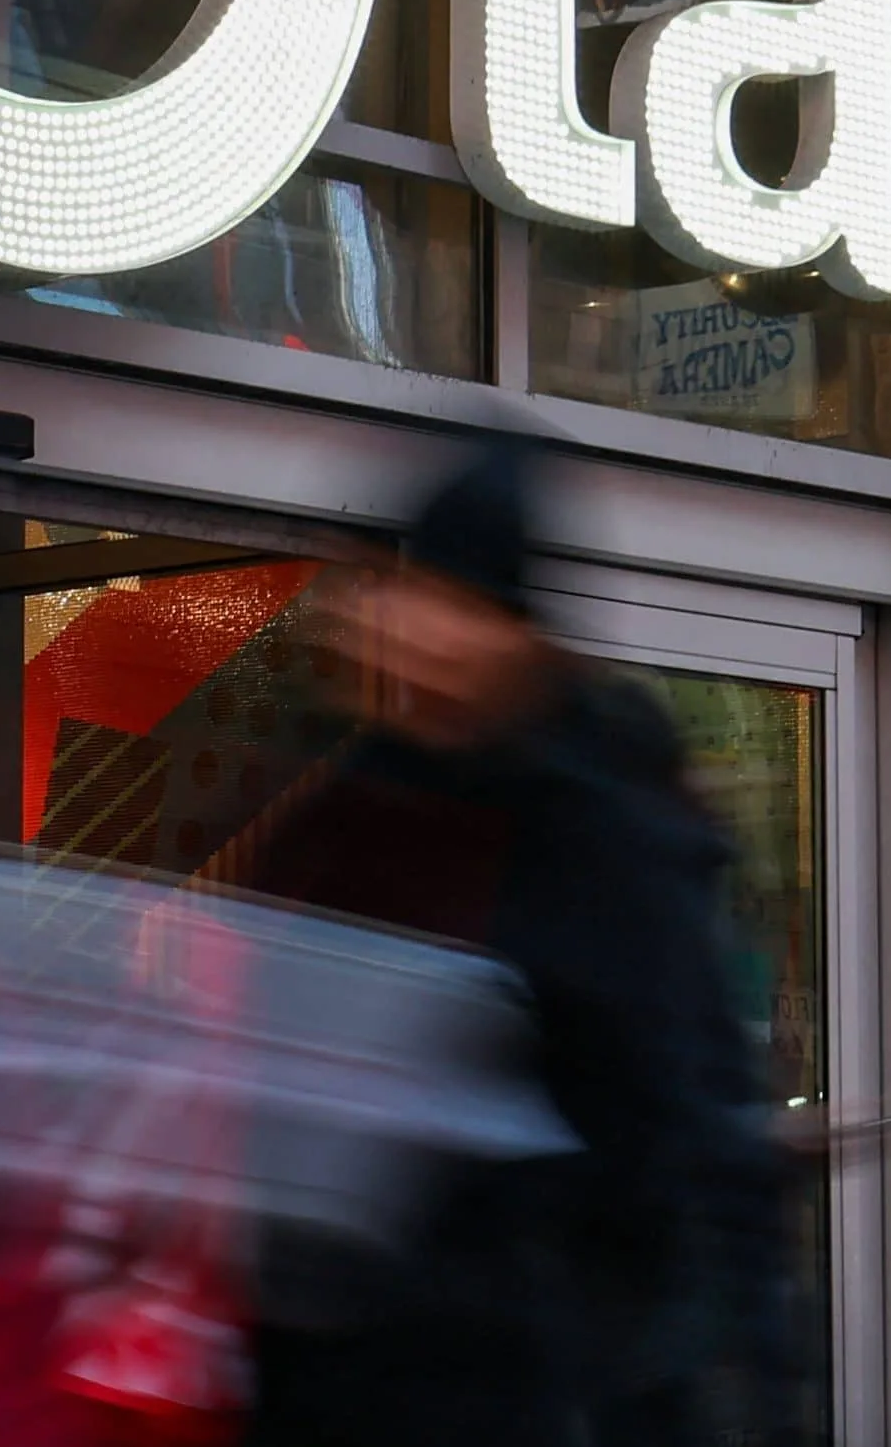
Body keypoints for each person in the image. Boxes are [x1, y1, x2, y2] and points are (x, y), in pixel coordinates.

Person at [234, 432, 785, 1447]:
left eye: (443, 598)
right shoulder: (347, 809)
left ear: (513, 631)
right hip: (336, 1372)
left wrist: (741, 1385)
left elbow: (688, 1137)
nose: (393, 624)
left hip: (522, 1381)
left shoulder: (603, 832)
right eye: (397, 590)